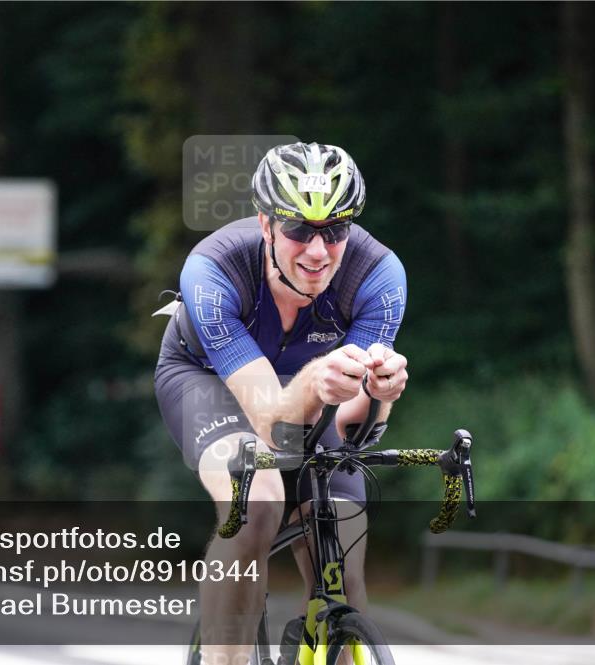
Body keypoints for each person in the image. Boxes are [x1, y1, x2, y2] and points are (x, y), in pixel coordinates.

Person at [154, 142, 409, 665]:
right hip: (210, 380)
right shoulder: (213, 271)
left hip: (310, 389)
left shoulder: (379, 278)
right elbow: (270, 420)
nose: (318, 251)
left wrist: (379, 396)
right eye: (298, 229)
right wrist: (319, 379)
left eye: (335, 230)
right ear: (265, 223)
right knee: (258, 499)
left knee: (341, 550)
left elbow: (353, 424)